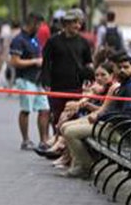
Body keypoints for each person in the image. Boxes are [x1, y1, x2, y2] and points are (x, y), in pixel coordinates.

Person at [62, 53, 131, 178]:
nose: (122, 70)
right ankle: (79, 164)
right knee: (66, 127)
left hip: (120, 133)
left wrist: (100, 117)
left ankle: (86, 166)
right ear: (114, 69)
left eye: (126, 67)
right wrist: (99, 114)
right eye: (119, 67)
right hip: (111, 125)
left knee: (70, 132)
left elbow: (126, 115)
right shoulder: (123, 86)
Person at [40, 8, 93, 148]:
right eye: (74, 22)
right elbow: (46, 62)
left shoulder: (83, 42)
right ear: (66, 24)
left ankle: (66, 147)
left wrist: (89, 78)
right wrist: (45, 81)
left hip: (76, 85)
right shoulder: (53, 41)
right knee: (57, 116)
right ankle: (57, 142)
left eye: (79, 22)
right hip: (57, 85)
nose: (77, 26)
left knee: (72, 117)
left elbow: (88, 63)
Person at [9, 12, 50, 151]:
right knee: (26, 110)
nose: (40, 28)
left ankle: (44, 140)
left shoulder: (35, 39)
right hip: (25, 79)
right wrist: (34, 62)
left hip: (38, 80)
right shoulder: (18, 40)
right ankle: (25, 140)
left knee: (44, 109)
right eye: (39, 24)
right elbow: (14, 61)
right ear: (32, 23)